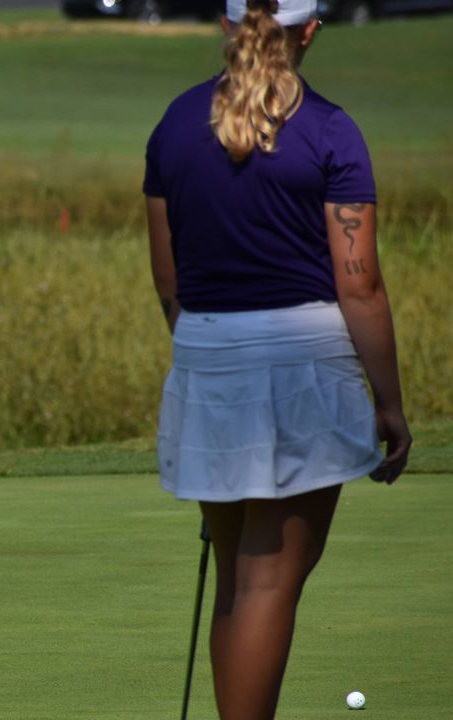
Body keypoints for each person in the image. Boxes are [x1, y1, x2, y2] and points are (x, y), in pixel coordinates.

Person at [143, 0, 412, 718]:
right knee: (269, 580)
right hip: (303, 365)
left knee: (238, 574)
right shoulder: (329, 129)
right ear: (311, 28)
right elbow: (360, 286)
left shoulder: (175, 123)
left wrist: (211, 355)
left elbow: (168, 279)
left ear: (228, 24)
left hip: (205, 354)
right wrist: (389, 405)